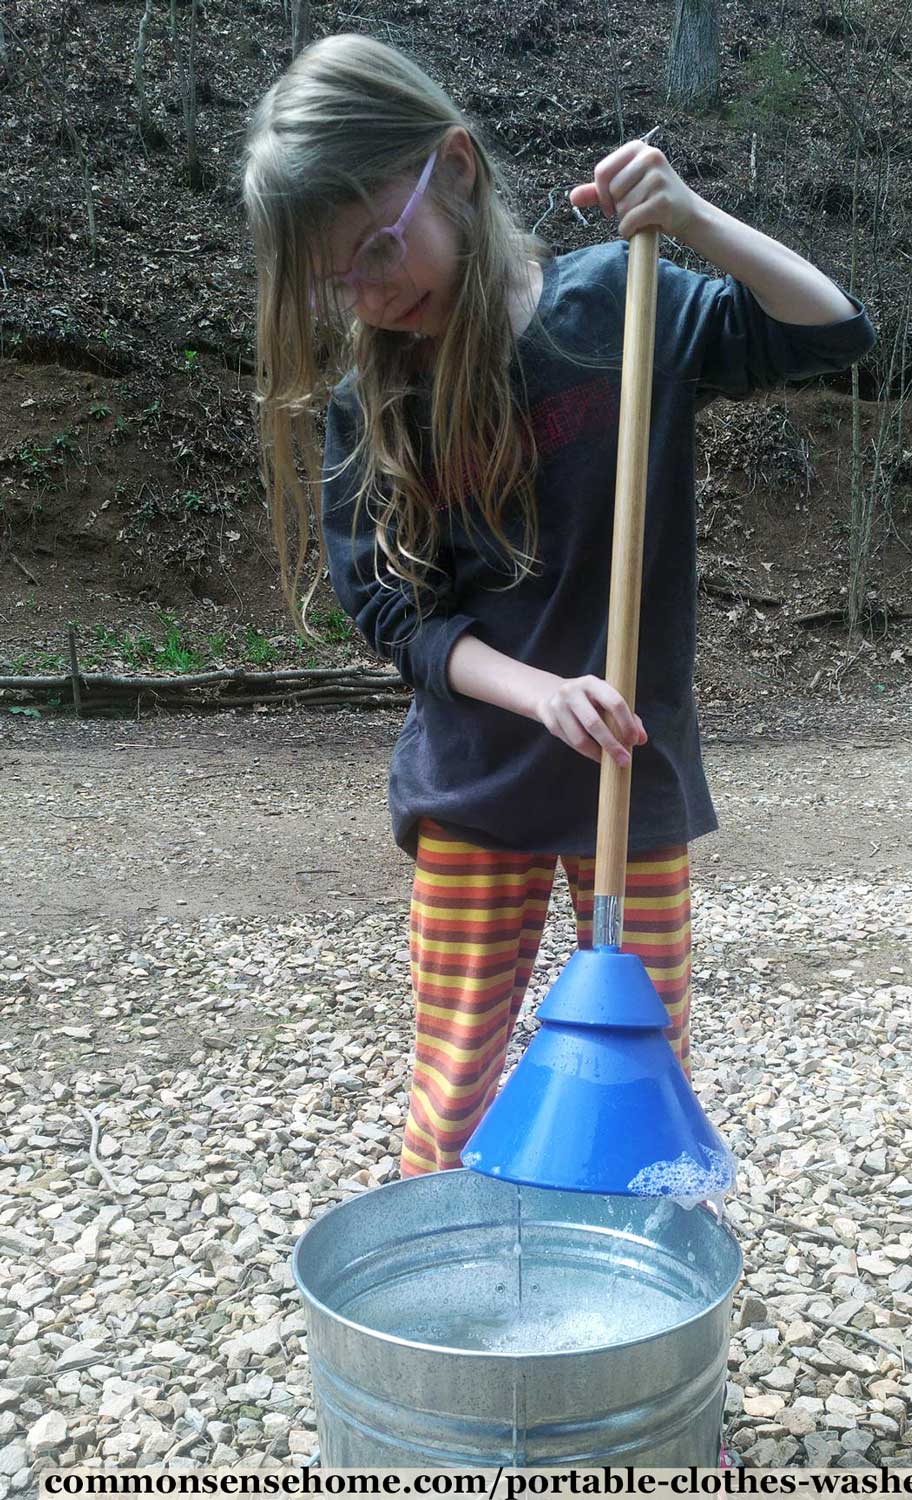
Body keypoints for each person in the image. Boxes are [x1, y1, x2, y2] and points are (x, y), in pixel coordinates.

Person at [242, 34, 876, 1183]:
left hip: (630, 777)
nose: (370, 294)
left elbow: (832, 329)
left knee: (638, 1071)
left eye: (377, 249)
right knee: (457, 1080)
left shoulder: (615, 310)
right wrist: (540, 695)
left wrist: (687, 217)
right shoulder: (368, 403)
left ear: (459, 168)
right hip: (477, 784)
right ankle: (447, 1288)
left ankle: (628, 1292)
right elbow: (396, 617)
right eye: (335, 279)